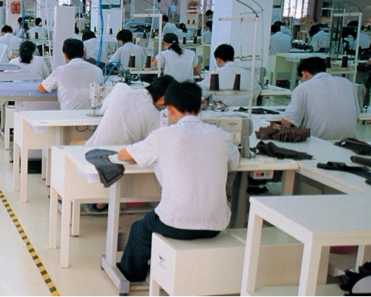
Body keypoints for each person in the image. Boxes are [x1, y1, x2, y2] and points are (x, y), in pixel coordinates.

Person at [115, 82, 239, 283]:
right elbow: (235, 161)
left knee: (139, 229)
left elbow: (125, 155)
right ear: (199, 108)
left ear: (170, 110)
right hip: (216, 224)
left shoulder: (163, 136)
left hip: (176, 223)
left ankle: (131, 276)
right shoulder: (221, 136)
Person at [281, 56, 358, 140]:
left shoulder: (303, 88)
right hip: (347, 143)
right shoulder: (347, 83)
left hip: (316, 142)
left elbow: (287, 122)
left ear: (304, 74)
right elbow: (357, 117)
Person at [86, 75, 174, 147]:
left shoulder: (121, 90)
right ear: (163, 99)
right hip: (113, 158)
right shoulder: (153, 115)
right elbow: (154, 145)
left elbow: (103, 110)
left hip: (90, 148)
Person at [37, 38, 105, 110]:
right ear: (84, 52)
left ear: (65, 54)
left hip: (68, 115)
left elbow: (41, 88)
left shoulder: (60, 71)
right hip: (92, 115)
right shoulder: (97, 70)